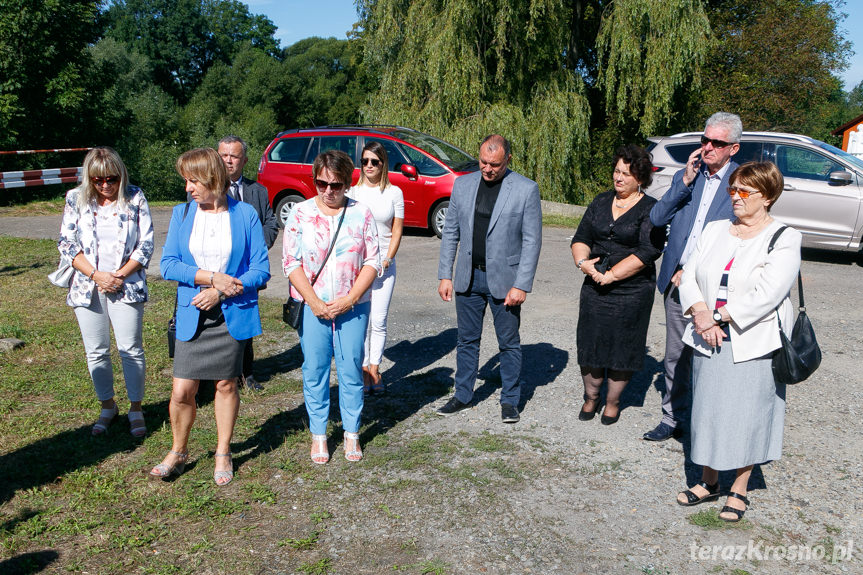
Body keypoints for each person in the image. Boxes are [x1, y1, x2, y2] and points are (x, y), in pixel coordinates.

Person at [674, 162, 801, 522]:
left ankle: (739, 488)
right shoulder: (715, 230)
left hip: (753, 339)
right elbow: (688, 275)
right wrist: (701, 313)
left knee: (748, 415)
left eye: (745, 191)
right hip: (707, 335)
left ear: (768, 196)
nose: (736, 197)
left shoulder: (785, 237)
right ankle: (708, 481)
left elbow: (767, 294)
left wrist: (717, 317)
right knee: (708, 411)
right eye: (733, 190)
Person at [150, 148, 270, 486]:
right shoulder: (182, 214)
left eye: (193, 181)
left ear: (213, 178)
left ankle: (222, 451)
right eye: (186, 180)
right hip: (193, 314)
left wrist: (222, 290)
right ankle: (178, 450)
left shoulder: (245, 214)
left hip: (232, 313)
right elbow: (169, 264)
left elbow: (261, 270)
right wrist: (209, 277)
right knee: (181, 390)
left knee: (225, 384)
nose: (188, 188)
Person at [644, 112, 741, 442]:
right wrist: (684, 180)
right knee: (675, 355)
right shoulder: (689, 176)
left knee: (711, 359)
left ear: (734, 148)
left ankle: (705, 422)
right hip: (676, 282)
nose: (708, 147)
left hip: (714, 287)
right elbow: (657, 217)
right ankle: (672, 418)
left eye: (717, 142)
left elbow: (742, 238)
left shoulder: (741, 185)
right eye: (705, 140)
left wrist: (695, 270)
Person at [283, 150, 381, 464]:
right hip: (313, 307)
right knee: (315, 370)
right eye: (321, 183)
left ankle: (352, 432)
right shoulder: (299, 213)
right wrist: (314, 302)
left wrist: (350, 299)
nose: (328, 191)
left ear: (347, 183)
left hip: (352, 306)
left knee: (352, 369)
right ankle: (319, 435)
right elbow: (290, 262)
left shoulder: (361, 214)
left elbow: (372, 261)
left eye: (336, 185)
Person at [436, 134, 542, 423]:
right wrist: (445, 274)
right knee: (466, 339)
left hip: (506, 281)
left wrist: (522, 284)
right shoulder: (463, 184)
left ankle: (510, 400)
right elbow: (451, 233)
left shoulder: (525, 189)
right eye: (483, 161)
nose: (487, 168)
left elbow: (532, 241)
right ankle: (463, 394)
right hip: (467, 278)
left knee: (508, 343)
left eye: (494, 164)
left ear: (507, 159)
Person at [57, 147, 154, 438]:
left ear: (120, 175)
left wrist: (119, 275)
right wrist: (97, 275)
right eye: (98, 180)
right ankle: (107, 405)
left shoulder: (135, 197)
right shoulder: (75, 198)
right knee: (96, 351)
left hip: (127, 284)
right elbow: (67, 244)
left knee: (130, 349)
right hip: (88, 286)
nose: (105, 185)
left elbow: (146, 244)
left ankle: (136, 407)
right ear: (89, 179)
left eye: (111, 179)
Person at [570, 145, 664, 425]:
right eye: (616, 171)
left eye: (626, 173)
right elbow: (581, 237)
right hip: (594, 288)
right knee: (591, 343)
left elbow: (648, 252)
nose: (618, 177)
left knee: (624, 346)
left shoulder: (651, 209)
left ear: (641, 178)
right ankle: (591, 397)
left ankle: (612, 402)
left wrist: (610, 276)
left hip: (632, 291)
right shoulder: (600, 202)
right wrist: (583, 263)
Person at [217, 135, 278, 392]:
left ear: (244, 160)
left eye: (233, 156)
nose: (228, 161)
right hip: (218, 271)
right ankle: (218, 374)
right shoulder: (206, 191)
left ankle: (247, 374)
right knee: (217, 322)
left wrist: (255, 248)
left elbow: (271, 223)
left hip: (249, 271)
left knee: (246, 320)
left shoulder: (258, 191)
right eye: (223, 156)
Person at [347, 141, 405, 396]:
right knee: (362, 319)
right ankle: (361, 369)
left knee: (378, 320)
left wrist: (388, 258)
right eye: (364, 161)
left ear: (383, 164)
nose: (369, 166)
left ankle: (374, 369)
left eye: (374, 162)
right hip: (358, 267)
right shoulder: (352, 192)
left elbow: (397, 229)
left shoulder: (394, 193)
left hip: (384, 266)